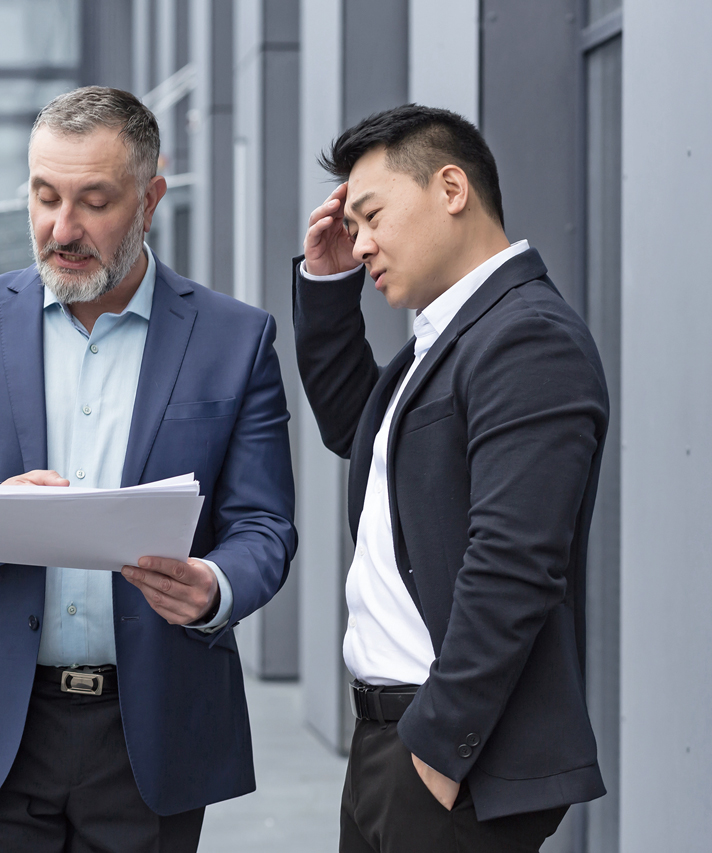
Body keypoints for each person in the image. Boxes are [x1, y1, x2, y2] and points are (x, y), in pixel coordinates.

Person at [0, 86, 296, 852]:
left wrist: (216, 587)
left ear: (150, 199)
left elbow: (265, 524)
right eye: (44, 197)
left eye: (93, 202)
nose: (60, 229)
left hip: (154, 731)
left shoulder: (236, 339)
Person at [293, 104, 609, 852]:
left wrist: (437, 749)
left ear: (451, 188)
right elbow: (357, 431)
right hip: (394, 741)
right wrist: (328, 284)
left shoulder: (526, 336)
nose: (362, 240)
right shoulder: (445, 337)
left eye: (372, 216)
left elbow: (515, 561)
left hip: (449, 755)